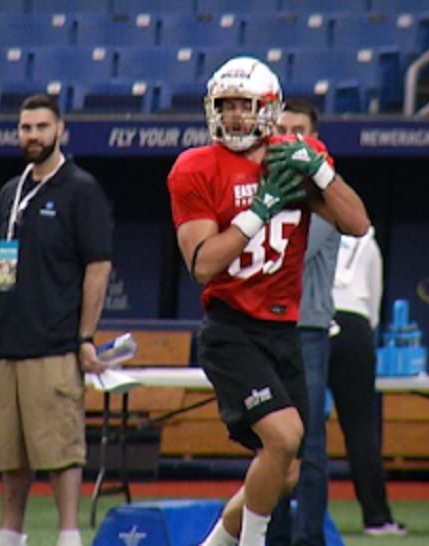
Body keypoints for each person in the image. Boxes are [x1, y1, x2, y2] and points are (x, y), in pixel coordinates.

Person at [167, 57, 370, 546]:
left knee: (287, 470)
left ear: (269, 107)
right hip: (231, 327)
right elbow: (202, 263)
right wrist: (260, 210)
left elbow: (358, 223)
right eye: (226, 105)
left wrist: (320, 172)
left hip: (286, 330)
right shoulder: (195, 167)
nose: (235, 116)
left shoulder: (293, 156)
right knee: (282, 437)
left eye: (245, 104)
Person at [0, 94, 113, 546]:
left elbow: (99, 266)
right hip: (7, 342)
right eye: (25, 128)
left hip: (55, 342)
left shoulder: (81, 189)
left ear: (60, 130)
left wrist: (85, 336)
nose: (32, 136)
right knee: (11, 450)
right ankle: (12, 532)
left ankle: (68, 534)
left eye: (41, 127)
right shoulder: (11, 192)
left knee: (61, 448)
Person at [267, 99, 343, 546]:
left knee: (309, 444)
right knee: (271, 442)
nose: (291, 139)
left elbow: (282, 255)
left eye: (300, 131)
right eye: (282, 130)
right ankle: (271, 537)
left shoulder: (326, 198)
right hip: (265, 329)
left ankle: (308, 540)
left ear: (316, 141)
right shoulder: (265, 186)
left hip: (308, 331)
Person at [328, 226, 407, 536]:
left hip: (310, 324)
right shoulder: (367, 241)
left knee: (297, 427)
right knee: (361, 427)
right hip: (354, 325)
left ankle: (290, 517)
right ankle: (377, 517)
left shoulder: (303, 227)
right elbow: (373, 304)